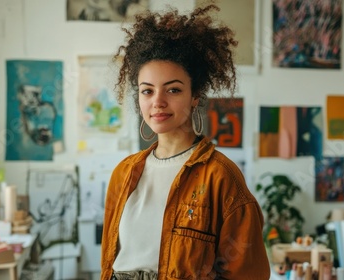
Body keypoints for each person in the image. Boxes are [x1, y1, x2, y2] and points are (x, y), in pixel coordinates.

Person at [101, 4, 270, 280]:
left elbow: (247, 273)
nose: (158, 102)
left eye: (173, 89)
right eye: (147, 91)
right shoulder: (123, 174)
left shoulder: (221, 177)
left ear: (194, 96)